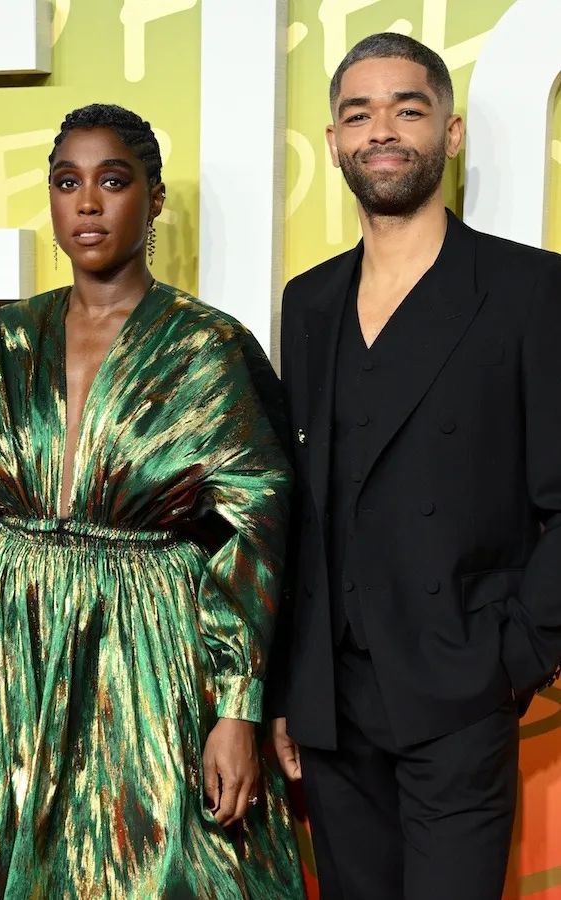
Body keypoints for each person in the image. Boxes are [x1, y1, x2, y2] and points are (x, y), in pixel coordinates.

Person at [0, 103, 304, 899]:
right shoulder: (4, 341)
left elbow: (260, 529)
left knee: (165, 869)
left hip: (153, 657)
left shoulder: (208, 347)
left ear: (155, 198)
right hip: (8, 652)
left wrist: (237, 705)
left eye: (113, 181)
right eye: (68, 183)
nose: (88, 203)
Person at [267, 33, 561, 900]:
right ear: (333, 143)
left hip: (457, 690)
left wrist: (514, 656)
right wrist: (288, 681)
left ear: (451, 132)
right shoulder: (309, 301)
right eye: (358, 114)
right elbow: (301, 505)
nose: (382, 131)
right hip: (331, 703)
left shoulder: (528, 292)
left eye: (408, 109)